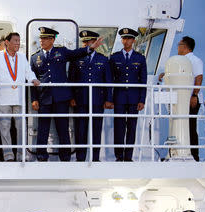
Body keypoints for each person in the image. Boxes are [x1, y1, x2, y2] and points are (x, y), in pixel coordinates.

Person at [31, 27, 103, 162]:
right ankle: (41, 156)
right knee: (43, 129)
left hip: (61, 97)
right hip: (44, 98)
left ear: (52, 40)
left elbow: (76, 53)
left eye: (45, 38)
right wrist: (34, 99)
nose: (42, 41)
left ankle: (65, 157)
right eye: (41, 38)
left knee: (63, 129)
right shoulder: (35, 57)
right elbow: (32, 78)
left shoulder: (61, 52)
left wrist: (90, 48)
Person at [0, 32, 40, 161]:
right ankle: (8, 156)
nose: (17, 43)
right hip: (3, 98)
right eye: (15, 41)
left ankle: (21, 155)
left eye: (18, 41)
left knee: (21, 127)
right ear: (7, 42)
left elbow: (29, 72)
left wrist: (33, 79)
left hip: (19, 97)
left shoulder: (22, 57)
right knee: (4, 128)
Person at [68, 30, 111, 162]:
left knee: (96, 130)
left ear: (95, 43)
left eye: (88, 41)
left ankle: (95, 158)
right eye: (84, 42)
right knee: (80, 131)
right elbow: (71, 79)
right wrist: (71, 97)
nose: (85, 44)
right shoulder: (76, 59)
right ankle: (81, 159)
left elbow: (108, 80)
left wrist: (109, 99)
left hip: (97, 100)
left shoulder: (103, 59)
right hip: (80, 100)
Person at [109, 28, 147, 162]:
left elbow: (143, 81)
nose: (126, 41)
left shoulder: (140, 58)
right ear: (122, 40)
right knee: (119, 127)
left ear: (133, 40)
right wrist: (110, 98)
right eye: (124, 38)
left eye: (129, 39)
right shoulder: (114, 57)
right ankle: (119, 156)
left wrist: (142, 100)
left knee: (131, 127)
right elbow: (110, 80)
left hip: (134, 98)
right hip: (119, 97)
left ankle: (128, 156)